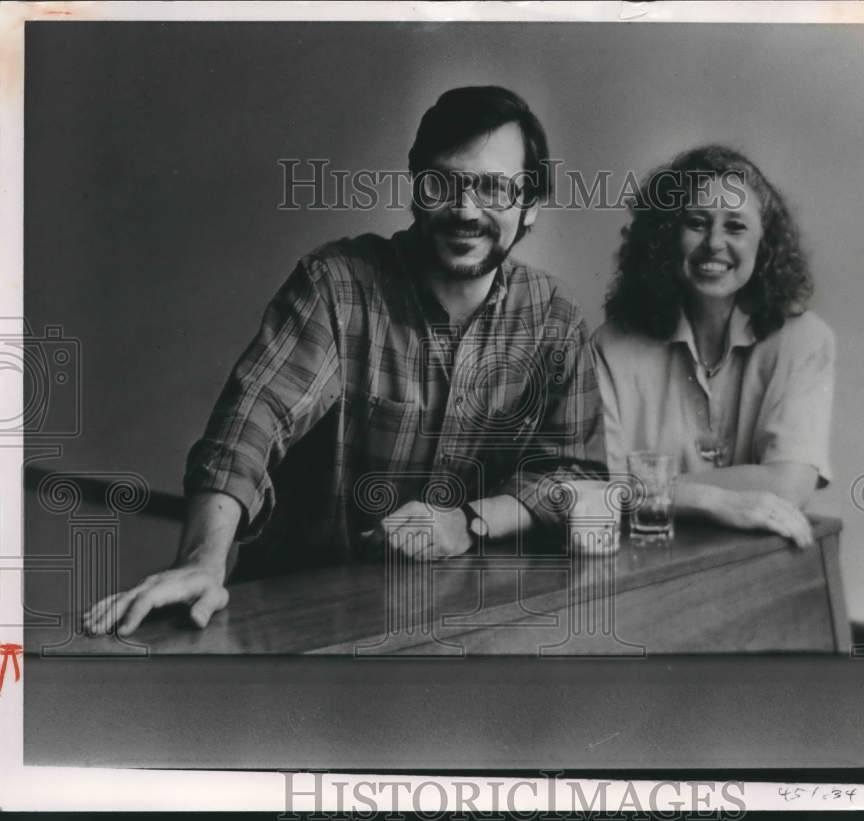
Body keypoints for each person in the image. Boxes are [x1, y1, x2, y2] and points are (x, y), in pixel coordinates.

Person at [84, 86, 606, 637]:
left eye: (495, 189)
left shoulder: (555, 318)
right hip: (303, 626)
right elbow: (251, 425)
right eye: (442, 183)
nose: (465, 210)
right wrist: (200, 560)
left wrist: (471, 521)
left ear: (532, 208)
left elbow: (575, 474)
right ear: (415, 188)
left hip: (465, 630)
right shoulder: (338, 287)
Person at [593, 145, 834, 548]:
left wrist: (649, 488)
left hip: (761, 564)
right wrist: (711, 499)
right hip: (641, 567)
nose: (714, 243)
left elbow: (789, 484)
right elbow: (597, 487)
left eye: (735, 227)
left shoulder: (804, 340)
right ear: (666, 237)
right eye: (696, 223)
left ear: (765, 244)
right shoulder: (611, 346)